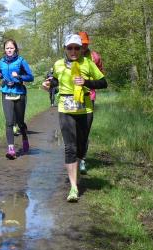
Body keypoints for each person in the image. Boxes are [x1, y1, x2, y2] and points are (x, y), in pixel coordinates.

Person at [43, 33, 107, 202]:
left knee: (80, 147)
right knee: (70, 147)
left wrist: (86, 82)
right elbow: (55, 81)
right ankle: (73, 187)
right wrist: (48, 84)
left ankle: (77, 172)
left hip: (85, 109)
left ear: (81, 49)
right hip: (66, 108)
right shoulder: (58, 64)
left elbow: (103, 82)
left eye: (76, 48)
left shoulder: (88, 63)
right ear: (65, 49)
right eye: (70, 48)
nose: (73, 51)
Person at [0, 39, 34, 159]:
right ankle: (11, 150)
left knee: (20, 122)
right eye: (7, 48)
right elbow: (0, 72)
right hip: (6, 92)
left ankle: (24, 137)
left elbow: (31, 77)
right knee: (9, 122)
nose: (9, 50)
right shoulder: (1, 62)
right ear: (4, 50)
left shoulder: (21, 61)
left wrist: (19, 76)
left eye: (11, 48)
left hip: (19, 93)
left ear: (15, 49)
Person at [78, 31, 104, 174]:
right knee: (74, 130)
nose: (83, 46)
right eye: (81, 43)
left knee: (85, 130)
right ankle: (74, 157)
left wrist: (88, 82)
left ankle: (82, 159)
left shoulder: (95, 57)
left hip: (89, 96)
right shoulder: (71, 54)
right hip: (72, 98)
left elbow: (101, 77)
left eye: (85, 44)